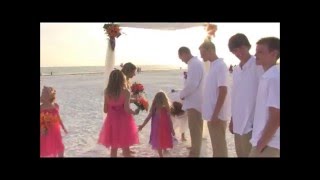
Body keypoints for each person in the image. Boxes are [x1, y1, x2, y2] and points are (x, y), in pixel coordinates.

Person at [228, 33, 264, 157]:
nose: (238, 53)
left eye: (241, 48)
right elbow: (235, 97)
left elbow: (263, 94)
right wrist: (232, 119)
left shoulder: (258, 65)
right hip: (238, 123)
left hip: (252, 124)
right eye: (234, 51)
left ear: (248, 46)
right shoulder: (237, 70)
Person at [199, 39, 231, 157]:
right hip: (212, 115)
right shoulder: (213, 66)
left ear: (211, 50)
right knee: (216, 148)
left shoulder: (220, 66)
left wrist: (215, 114)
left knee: (219, 148)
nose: (201, 56)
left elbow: (223, 91)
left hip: (217, 116)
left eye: (203, 53)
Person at [249, 37, 280, 157]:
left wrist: (261, 144)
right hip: (264, 143)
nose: (256, 55)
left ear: (274, 54)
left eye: (260, 52)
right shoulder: (267, 76)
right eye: (256, 51)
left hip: (269, 145)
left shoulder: (274, 78)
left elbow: (276, 116)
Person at [98, 69, 140, 157]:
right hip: (124, 121)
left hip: (112, 121)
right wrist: (134, 112)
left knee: (113, 148)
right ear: (122, 79)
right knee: (125, 147)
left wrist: (112, 107)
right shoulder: (126, 92)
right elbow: (127, 109)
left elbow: (105, 110)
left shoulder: (107, 92)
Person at [178, 46, 204, 157]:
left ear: (184, 53)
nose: (181, 60)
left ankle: (195, 153)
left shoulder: (194, 64)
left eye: (181, 57)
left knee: (195, 130)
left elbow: (192, 84)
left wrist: (182, 95)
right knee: (196, 128)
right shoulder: (195, 63)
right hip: (196, 101)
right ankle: (195, 147)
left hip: (195, 103)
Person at [138, 91, 175, 157]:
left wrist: (142, 126)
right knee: (164, 139)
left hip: (157, 130)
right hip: (165, 129)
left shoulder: (155, 109)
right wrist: (172, 129)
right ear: (165, 99)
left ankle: (161, 154)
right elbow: (170, 120)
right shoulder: (166, 109)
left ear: (155, 99)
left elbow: (147, 118)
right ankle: (164, 151)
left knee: (158, 142)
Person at [40, 86, 68, 157]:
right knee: (49, 149)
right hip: (46, 130)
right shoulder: (41, 107)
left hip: (56, 130)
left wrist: (63, 127)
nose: (44, 95)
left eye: (46, 93)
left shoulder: (55, 105)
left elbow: (58, 117)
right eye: (43, 93)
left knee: (60, 148)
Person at [121, 62, 138, 154]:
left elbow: (125, 98)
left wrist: (134, 100)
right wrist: (134, 100)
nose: (134, 74)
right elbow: (121, 98)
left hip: (125, 107)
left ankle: (126, 149)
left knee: (126, 130)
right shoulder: (122, 81)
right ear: (128, 71)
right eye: (133, 72)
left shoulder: (126, 80)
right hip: (122, 109)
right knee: (124, 130)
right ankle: (125, 151)